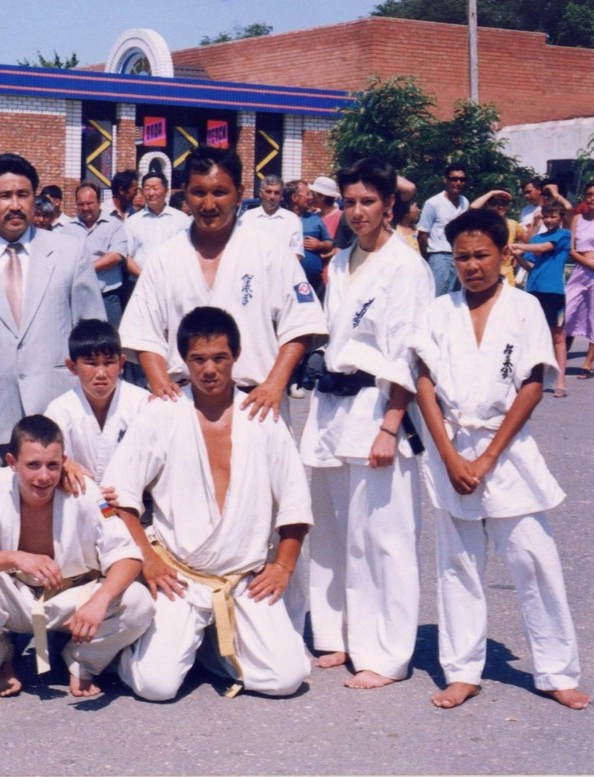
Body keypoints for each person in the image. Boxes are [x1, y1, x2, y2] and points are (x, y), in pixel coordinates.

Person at [414, 208, 588, 711]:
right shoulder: (439, 310)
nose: (472, 266)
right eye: (462, 257)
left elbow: (532, 384)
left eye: (481, 255)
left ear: (504, 254)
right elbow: (423, 381)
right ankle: (462, 670)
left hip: (505, 448)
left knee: (534, 558)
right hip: (452, 446)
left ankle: (556, 671)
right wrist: (448, 455)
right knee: (458, 564)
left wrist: (488, 457)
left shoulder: (524, 308)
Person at [105, 307, 312, 700]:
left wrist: (283, 566)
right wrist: (147, 559)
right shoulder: (164, 412)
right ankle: (131, 653)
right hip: (178, 576)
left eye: (220, 358)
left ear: (236, 356)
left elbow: (295, 504)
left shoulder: (262, 416)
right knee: (156, 686)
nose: (210, 370)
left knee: (287, 678)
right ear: (184, 360)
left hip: (243, 578)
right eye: (198, 359)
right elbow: (115, 498)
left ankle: (210, 650)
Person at [299, 157, 434, 690]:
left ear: (389, 205)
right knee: (332, 530)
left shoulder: (406, 267)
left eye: (368, 202)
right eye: (350, 202)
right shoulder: (342, 261)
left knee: (383, 536)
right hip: (332, 406)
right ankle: (337, 633)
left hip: (378, 407)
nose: (357, 212)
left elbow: (410, 354)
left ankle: (387, 653)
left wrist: (392, 424)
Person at [119, 145, 326, 421]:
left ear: (239, 194)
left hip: (255, 403)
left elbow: (301, 324)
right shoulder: (165, 258)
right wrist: (160, 385)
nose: (208, 205)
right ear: (185, 193)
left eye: (219, 192)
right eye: (198, 192)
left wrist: (275, 384)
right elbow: (142, 332)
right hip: (183, 403)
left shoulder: (270, 252)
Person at [0, 414, 151, 698]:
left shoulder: (87, 492)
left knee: (139, 602)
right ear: (12, 462)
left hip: (75, 600)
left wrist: (100, 601)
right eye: (33, 465)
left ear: (64, 461)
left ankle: (81, 660)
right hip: (16, 596)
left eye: (52, 465)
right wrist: (17, 558)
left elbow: (128, 556)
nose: (44, 476)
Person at [0, 153, 106, 484]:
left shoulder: (70, 253)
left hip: (56, 405)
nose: (15, 205)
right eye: (4, 196)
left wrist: (96, 400)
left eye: (23, 195)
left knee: (64, 504)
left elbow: (92, 334)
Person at [44, 318, 148, 485]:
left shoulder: (141, 403)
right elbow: (46, 458)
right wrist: (64, 463)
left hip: (133, 494)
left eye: (109, 363)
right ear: (72, 366)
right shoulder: (59, 410)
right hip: (80, 494)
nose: (101, 373)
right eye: (91, 363)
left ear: (121, 363)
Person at [513, 201, 572, 397]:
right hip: (533, 290)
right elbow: (529, 266)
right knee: (530, 335)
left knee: (558, 336)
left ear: (560, 217)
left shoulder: (564, 235)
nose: (549, 220)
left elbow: (545, 247)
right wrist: (517, 255)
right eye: (546, 216)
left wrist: (519, 245)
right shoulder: (536, 237)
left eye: (553, 216)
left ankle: (560, 381)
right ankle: (528, 378)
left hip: (553, 292)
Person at [55, 183, 130, 326]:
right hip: (79, 298)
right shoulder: (67, 229)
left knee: (111, 338)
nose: (85, 208)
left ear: (99, 202)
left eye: (89, 203)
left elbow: (116, 256)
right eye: (81, 204)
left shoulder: (114, 225)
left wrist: (83, 268)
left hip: (108, 297)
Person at [125, 171, 191, 277]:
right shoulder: (132, 222)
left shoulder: (182, 220)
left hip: (173, 281)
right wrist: (144, 277)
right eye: (147, 189)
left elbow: (190, 253)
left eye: (155, 188)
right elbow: (126, 256)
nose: (151, 193)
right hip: (139, 281)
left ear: (166, 191)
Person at [418, 163, 470, 296]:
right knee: (438, 297)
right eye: (454, 179)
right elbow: (422, 236)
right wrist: (429, 259)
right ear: (445, 180)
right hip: (440, 256)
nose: (458, 183)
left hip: (460, 256)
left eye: (462, 179)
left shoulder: (465, 202)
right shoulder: (433, 203)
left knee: (458, 297)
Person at [286, 179, 333, 300]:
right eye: (307, 194)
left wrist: (320, 245)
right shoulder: (281, 219)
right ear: (295, 197)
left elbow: (330, 244)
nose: (311, 197)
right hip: (288, 285)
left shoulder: (315, 219)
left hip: (316, 285)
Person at [237, 175, 304, 259]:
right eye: (268, 192)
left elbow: (297, 253)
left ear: (281, 195)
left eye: (276, 193)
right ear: (261, 193)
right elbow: (239, 246)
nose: (272, 197)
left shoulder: (292, 219)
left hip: (283, 267)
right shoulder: (247, 217)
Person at [566, 181, 594, 378]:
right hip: (580, 271)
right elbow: (571, 249)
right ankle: (559, 358)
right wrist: (588, 264)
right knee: (566, 312)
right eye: (589, 194)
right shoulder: (578, 218)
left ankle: (587, 364)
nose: (591, 198)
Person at [471, 190, 526, 286]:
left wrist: (519, 250)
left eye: (504, 204)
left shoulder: (513, 224)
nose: (500, 207)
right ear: (489, 205)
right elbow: (473, 208)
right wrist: (492, 193)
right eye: (496, 204)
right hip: (487, 270)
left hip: (507, 272)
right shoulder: (484, 222)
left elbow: (530, 240)